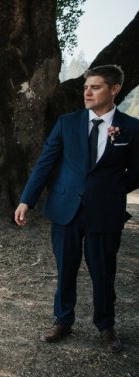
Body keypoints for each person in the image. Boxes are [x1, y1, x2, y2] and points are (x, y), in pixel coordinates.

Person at [14, 65, 139, 353]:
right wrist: (26, 200)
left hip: (105, 211)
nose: (88, 92)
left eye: (95, 87)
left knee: (104, 272)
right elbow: (46, 162)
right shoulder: (67, 122)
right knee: (66, 268)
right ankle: (63, 321)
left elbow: (137, 170)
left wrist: (113, 188)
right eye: (86, 87)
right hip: (65, 207)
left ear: (115, 89)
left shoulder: (131, 127)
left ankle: (106, 326)